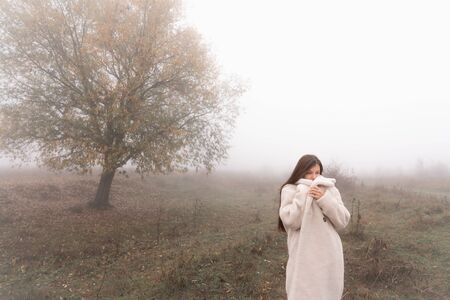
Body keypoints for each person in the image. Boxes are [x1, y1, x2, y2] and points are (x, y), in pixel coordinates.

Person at [278, 154, 351, 300]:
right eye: (309, 172)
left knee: (327, 294)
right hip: (303, 255)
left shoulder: (329, 188)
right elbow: (292, 221)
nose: (313, 177)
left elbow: (343, 220)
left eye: (317, 173)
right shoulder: (290, 189)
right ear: (301, 172)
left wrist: (324, 198)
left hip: (329, 253)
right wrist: (303, 193)